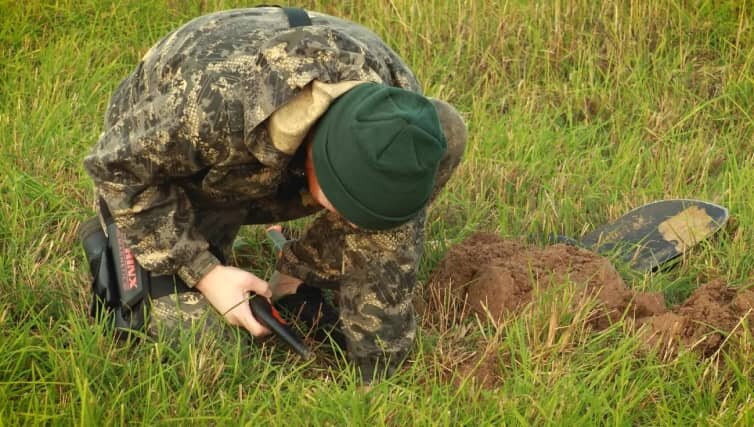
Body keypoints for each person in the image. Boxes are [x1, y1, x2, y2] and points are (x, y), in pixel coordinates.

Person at [82, 6, 467, 382]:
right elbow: (114, 166)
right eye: (345, 206)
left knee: (439, 138)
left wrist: (378, 372)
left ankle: (296, 277)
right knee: (205, 348)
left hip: (273, 152)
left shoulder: (398, 109)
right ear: (316, 157)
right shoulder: (209, 105)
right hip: (175, 168)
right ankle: (127, 237)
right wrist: (205, 273)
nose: (349, 225)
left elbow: (390, 248)